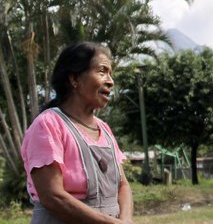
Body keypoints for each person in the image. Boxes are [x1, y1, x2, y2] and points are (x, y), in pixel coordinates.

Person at [21, 42, 133, 223]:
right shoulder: (48, 125)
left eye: (111, 74)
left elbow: (123, 185)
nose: (110, 81)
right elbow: (52, 196)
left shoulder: (104, 129)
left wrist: (126, 221)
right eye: (102, 71)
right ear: (74, 79)